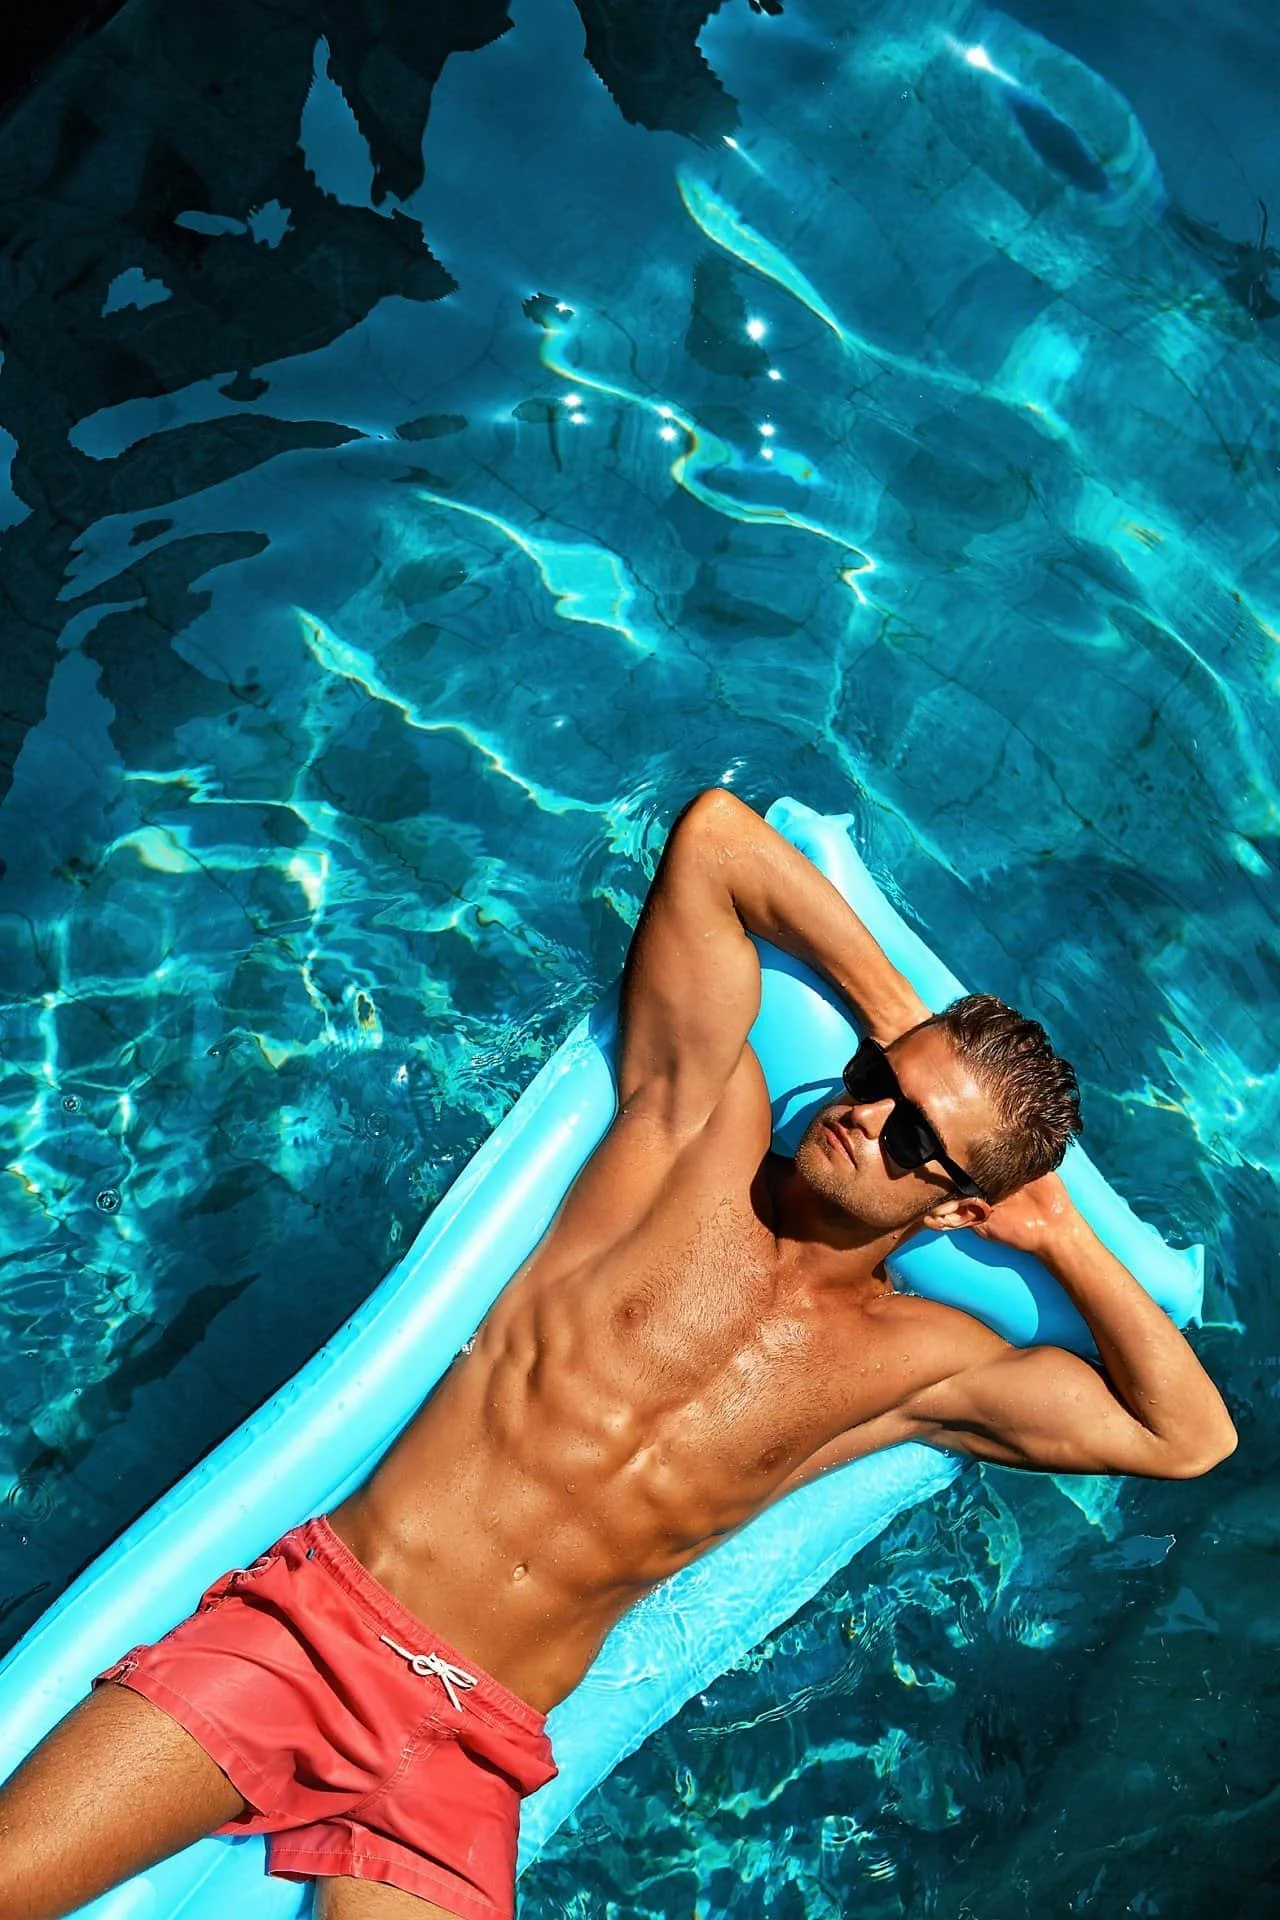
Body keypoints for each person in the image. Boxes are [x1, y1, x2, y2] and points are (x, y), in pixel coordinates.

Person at [0, 790, 1236, 1920]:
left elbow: (1185, 1436)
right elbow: (714, 844)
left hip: (473, 1752)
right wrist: (898, 1021)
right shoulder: (698, 1126)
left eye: (915, 1139)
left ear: (963, 1209)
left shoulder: (917, 1367)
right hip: (325, 1635)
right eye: (871, 1084)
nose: (862, 1118)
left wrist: (1060, 1230)